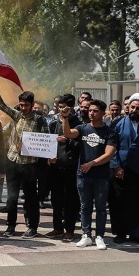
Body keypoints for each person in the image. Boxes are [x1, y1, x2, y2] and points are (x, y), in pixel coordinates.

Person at [0, 79, 50, 238]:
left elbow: (46, 142)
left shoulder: (40, 120)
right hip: (13, 161)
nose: (23, 108)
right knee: (11, 196)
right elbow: (2, 105)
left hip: (29, 165)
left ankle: (32, 227)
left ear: (32, 105)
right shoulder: (17, 116)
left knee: (31, 197)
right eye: (21, 105)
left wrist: (32, 149)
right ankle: (10, 226)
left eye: (26, 105)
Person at [61, 100, 118, 250]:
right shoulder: (83, 128)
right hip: (83, 175)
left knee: (100, 207)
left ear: (103, 113)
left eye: (95, 111)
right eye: (90, 110)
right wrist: (65, 118)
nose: (91, 113)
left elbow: (109, 154)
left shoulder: (110, 133)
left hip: (101, 176)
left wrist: (91, 163)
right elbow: (68, 133)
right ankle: (86, 235)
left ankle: (99, 236)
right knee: (85, 206)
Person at [108, 93, 139, 244]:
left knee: (138, 202)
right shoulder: (118, 123)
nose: (135, 110)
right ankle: (120, 232)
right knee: (119, 201)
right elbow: (111, 147)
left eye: (138, 108)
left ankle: (137, 233)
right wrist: (116, 166)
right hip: (120, 168)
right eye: (132, 107)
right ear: (128, 108)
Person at [47, 94, 81, 242]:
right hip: (55, 165)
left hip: (70, 166)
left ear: (71, 107)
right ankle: (57, 227)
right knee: (56, 199)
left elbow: (79, 144)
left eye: (64, 107)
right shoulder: (54, 122)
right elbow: (47, 140)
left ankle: (69, 229)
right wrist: (49, 156)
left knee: (70, 200)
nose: (61, 110)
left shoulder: (77, 123)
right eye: (59, 107)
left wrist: (67, 139)